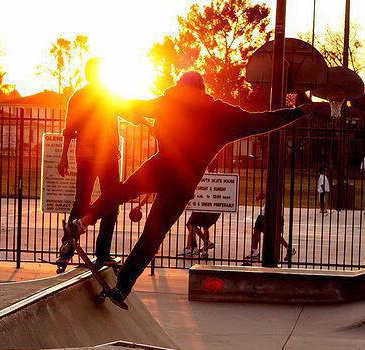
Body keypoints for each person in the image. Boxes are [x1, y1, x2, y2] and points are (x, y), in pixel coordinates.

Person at [65, 71, 312, 308]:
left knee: (119, 193)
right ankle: (123, 287)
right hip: (184, 183)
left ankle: (83, 221)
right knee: (153, 234)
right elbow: (261, 121)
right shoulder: (219, 113)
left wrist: (103, 100)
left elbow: (131, 106)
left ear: (180, 87)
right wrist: (298, 112)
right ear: (202, 90)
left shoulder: (168, 102)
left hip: (159, 167)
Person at [56, 57, 151, 267]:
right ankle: (98, 251)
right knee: (110, 200)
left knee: (89, 201)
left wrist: (145, 120)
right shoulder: (92, 96)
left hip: (95, 156)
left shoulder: (87, 96)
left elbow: (126, 112)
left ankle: (68, 248)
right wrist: (63, 156)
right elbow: (70, 129)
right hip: (99, 156)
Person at [243, 193, 296, 263]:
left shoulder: (276, 194)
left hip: (268, 216)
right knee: (265, 233)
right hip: (267, 215)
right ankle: (289, 249)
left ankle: (255, 252)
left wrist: (261, 196)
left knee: (272, 235)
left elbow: (270, 195)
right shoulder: (278, 195)